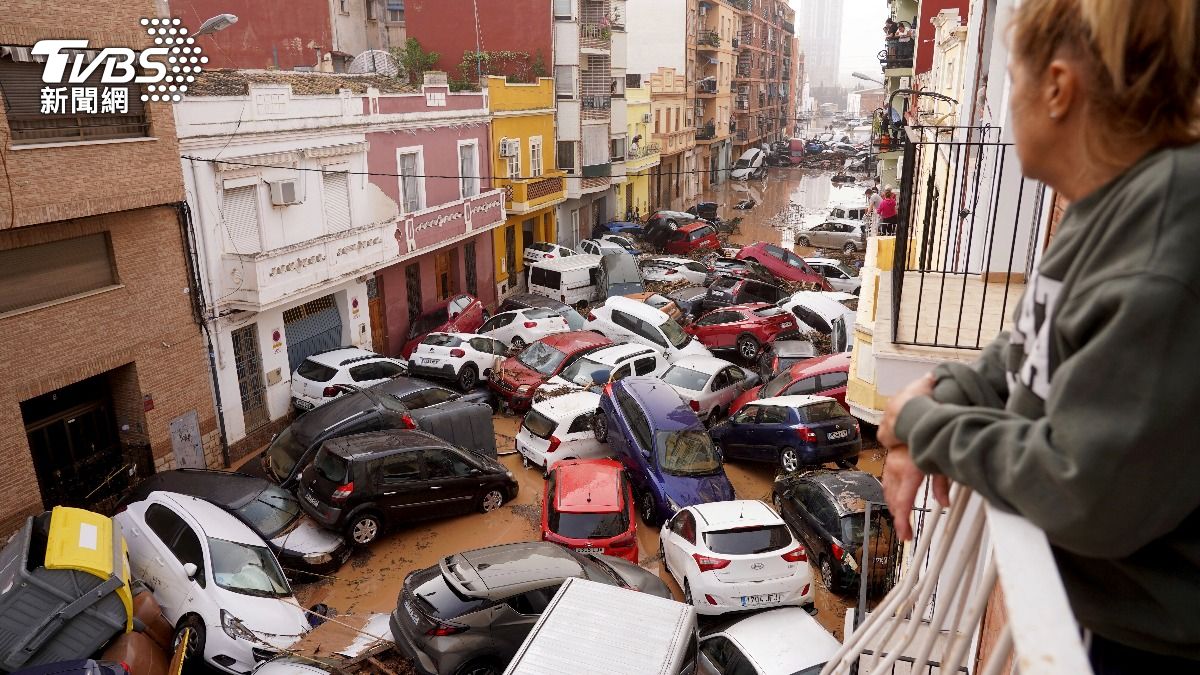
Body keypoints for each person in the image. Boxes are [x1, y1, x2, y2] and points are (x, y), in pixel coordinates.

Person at [876, 1, 1200, 672]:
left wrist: (930, 427)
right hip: (1108, 622)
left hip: (1150, 648)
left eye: (1011, 80)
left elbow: (1084, 489)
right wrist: (942, 396)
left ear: (1056, 88)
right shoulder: (1105, 206)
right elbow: (1024, 351)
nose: (1004, 103)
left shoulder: (1166, 236)